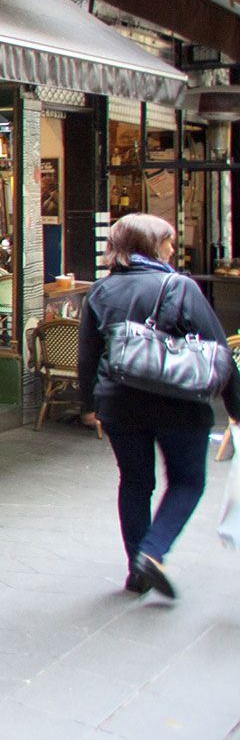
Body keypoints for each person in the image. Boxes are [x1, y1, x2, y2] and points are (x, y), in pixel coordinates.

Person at [78, 213, 240, 599]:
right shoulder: (179, 286)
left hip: (120, 406)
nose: (171, 248)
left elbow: (87, 357)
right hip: (180, 406)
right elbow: (219, 354)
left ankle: (136, 569)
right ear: (152, 245)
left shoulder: (100, 292)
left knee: (135, 482)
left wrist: (90, 406)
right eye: (167, 241)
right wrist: (236, 408)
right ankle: (152, 551)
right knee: (187, 481)